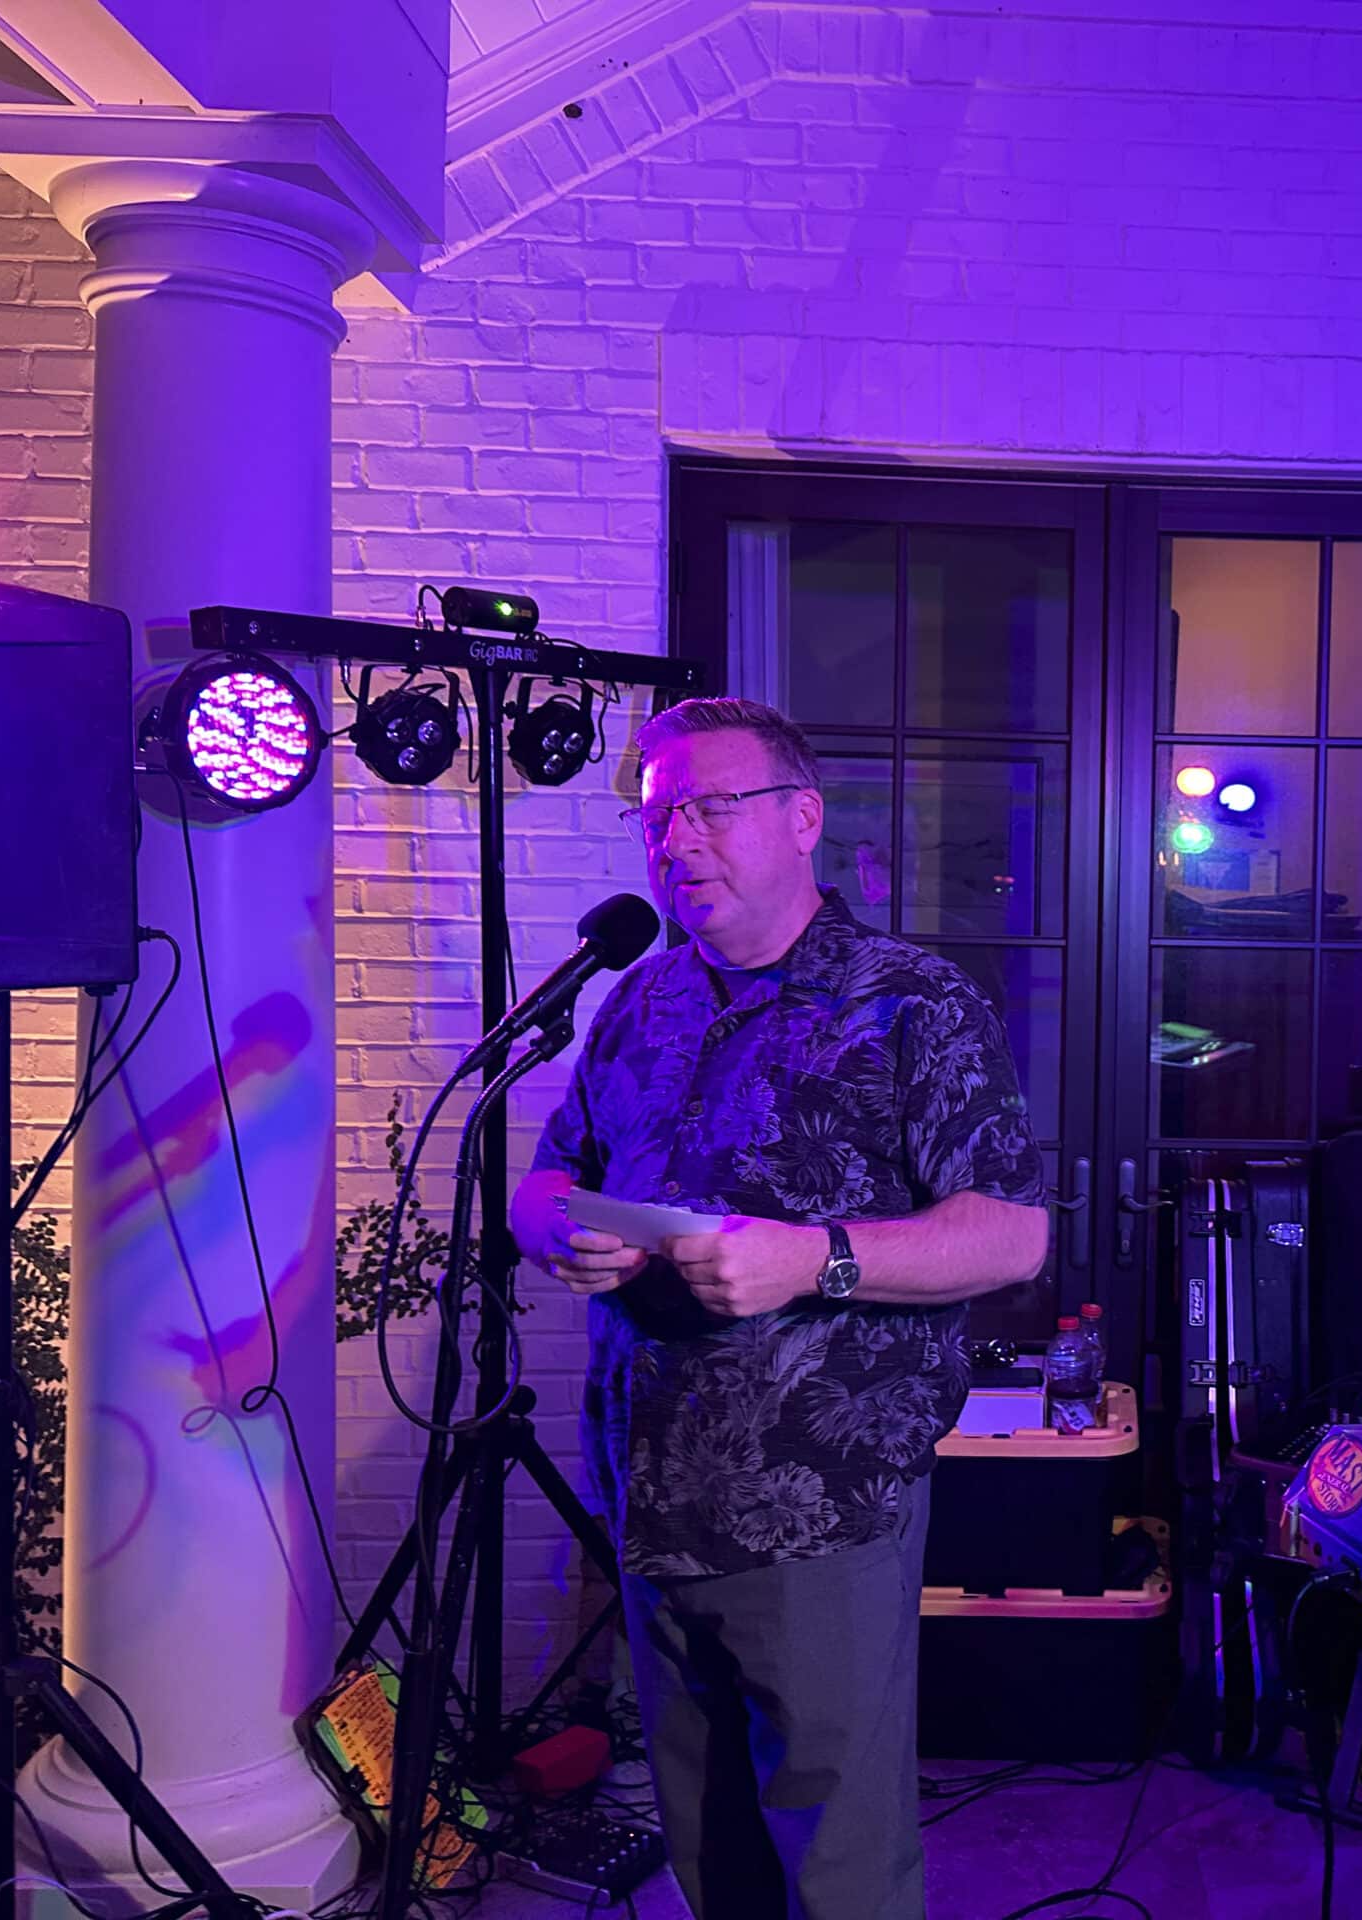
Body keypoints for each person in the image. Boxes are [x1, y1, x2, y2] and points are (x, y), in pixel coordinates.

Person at [509, 696, 1049, 1920]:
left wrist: (813, 1261)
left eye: (710, 807)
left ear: (802, 819)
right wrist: (558, 1228)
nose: (678, 840)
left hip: (818, 1507)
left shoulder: (912, 1002)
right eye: (659, 818)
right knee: (706, 1846)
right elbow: (549, 1177)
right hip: (646, 1492)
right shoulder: (640, 999)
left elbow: (1012, 1233)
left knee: (834, 1860)